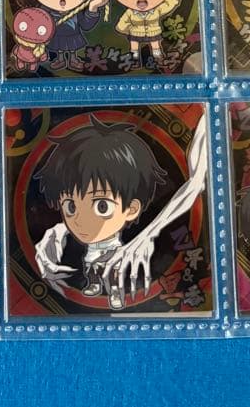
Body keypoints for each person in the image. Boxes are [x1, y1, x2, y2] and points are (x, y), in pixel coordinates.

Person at [33, 116, 166, 309]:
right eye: (71, 207)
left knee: (113, 270)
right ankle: (94, 284)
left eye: (102, 206)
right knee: (91, 266)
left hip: (112, 247)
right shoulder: (60, 234)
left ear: (131, 209)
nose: (81, 221)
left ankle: (115, 292)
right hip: (93, 249)